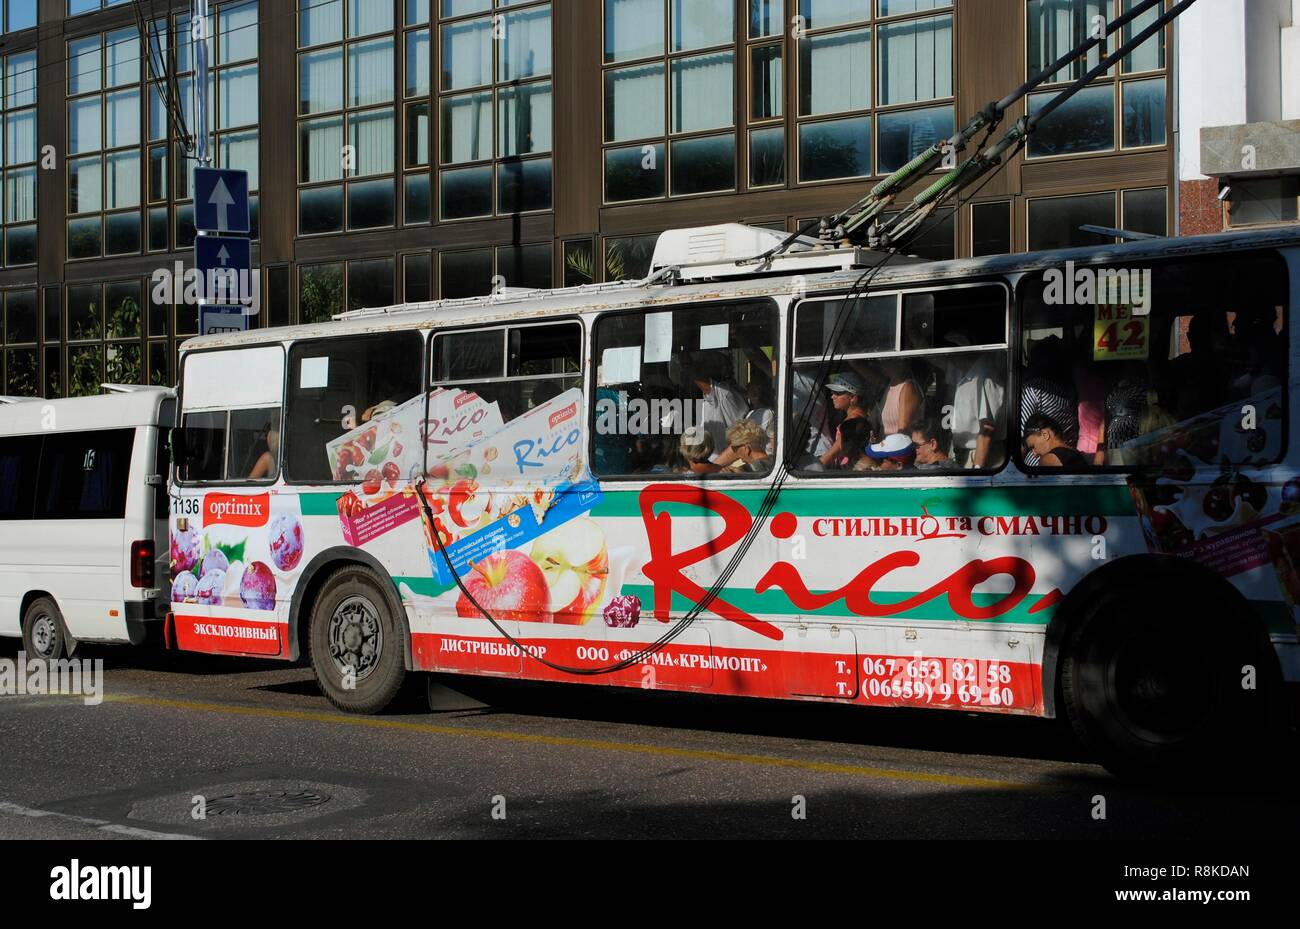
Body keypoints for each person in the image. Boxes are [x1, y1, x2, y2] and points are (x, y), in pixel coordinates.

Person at [948, 337, 1006, 469]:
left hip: (979, 455)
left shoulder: (985, 378)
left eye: (951, 354)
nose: (949, 359)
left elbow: (987, 428)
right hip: (964, 454)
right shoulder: (964, 375)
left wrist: (977, 469)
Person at [820, 372, 874, 469]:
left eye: (837, 393)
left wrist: (816, 466)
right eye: (832, 393)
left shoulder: (853, 422)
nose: (832, 396)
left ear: (852, 397)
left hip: (850, 467)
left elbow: (835, 450)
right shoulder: (858, 416)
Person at [878, 360, 925, 437]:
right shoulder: (890, 386)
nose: (882, 364)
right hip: (888, 445)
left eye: (888, 361)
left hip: (899, 446)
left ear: (900, 364)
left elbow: (903, 430)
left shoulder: (908, 388)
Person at [1023, 414, 1087, 469]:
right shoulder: (1079, 455)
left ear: (1045, 434)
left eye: (1033, 446)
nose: (1034, 454)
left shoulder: (1047, 460)